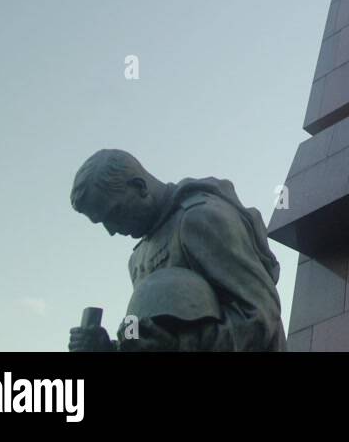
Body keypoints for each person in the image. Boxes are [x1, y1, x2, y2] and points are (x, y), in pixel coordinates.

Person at [67, 149, 286, 352]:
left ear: (140, 187)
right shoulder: (137, 258)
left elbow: (260, 317)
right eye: (102, 222)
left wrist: (178, 346)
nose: (111, 230)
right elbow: (141, 331)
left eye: (114, 213)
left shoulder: (201, 218)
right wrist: (111, 348)